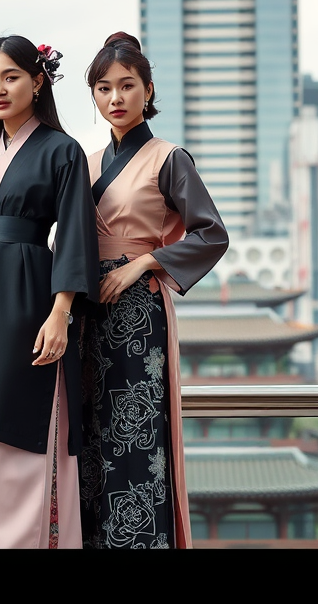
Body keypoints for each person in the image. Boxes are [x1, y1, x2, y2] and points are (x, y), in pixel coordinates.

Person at [0, 35, 99, 549]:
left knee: (16, 414)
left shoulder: (62, 151)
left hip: (30, 294)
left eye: (10, 77)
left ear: (37, 81)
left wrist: (60, 313)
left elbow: (76, 235)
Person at [80, 32, 228, 549]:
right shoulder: (86, 161)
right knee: (90, 440)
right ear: (94, 96)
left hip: (139, 314)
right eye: (104, 88)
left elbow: (212, 232)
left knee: (135, 438)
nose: (115, 98)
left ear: (148, 89)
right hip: (87, 311)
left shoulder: (169, 158)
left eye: (127, 86)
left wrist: (144, 262)